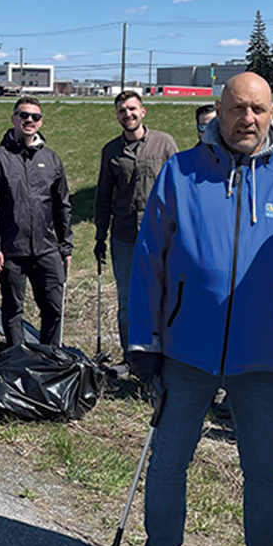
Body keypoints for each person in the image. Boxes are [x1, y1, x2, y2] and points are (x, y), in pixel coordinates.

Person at [124, 72, 273, 546]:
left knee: (265, 476)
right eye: (238, 108)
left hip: (265, 357)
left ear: (271, 113)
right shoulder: (181, 171)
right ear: (217, 111)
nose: (248, 119)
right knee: (168, 463)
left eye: (259, 109)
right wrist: (142, 338)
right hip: (185, 351)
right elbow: (149, 258)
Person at [0, 96, 73, 347]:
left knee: (53, 308)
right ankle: (18, 360)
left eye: (35, 117)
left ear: (40, 123)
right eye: (24, 115)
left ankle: (49, 359)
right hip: (11, 250)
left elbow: (62, 205)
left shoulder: (51, 159)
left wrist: (66, 246)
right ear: (14, 119)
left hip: (47, 249)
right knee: (12, 309)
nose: (29, 120)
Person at [93, 90, 177, 368]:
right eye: (121, 111)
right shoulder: (110, 151)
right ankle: (132, 359)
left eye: (131, 109)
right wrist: (100, 237)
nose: (127, 114)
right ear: (116, 116)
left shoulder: (165, 144)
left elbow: (179, 190)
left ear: (143, 111)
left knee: (164, 296)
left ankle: (167, 356)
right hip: (124, 236)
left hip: (161, 236)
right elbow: (103, 197)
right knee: (128, 302)